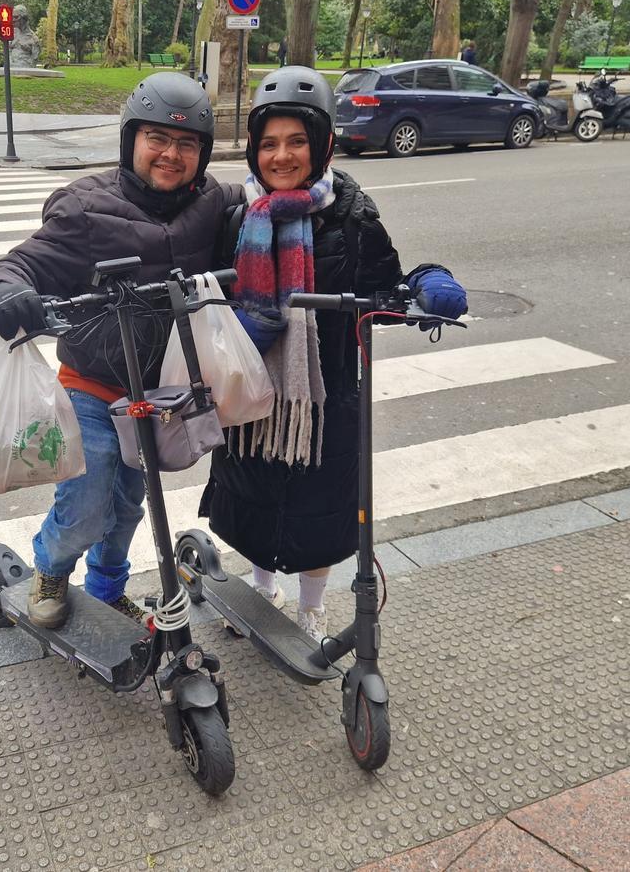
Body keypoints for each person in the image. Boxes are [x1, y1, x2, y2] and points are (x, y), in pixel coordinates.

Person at [198, 66, 468, 641]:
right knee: (254, 492)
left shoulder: (351, 214)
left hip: (329, 396)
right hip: (255, 392)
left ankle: (312, 605)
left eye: (297, 141)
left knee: (321, 507)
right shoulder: (237, 215)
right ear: (253, 149)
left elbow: (388, 286)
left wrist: (429, 283)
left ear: (322, 144)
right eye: (269, 143)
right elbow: (209, 299)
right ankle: (262, 587)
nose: (282, 156)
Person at [0, 72, 245, 628]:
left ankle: (106, 588)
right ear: (131, 141)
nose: (171, 154)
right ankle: (51, 567)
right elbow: (23, 263)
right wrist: (4, 291)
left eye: (187, 143)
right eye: (157, 139)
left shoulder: (215, 203)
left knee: (126, 507)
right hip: (93, 385)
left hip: (158, 392)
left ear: (203, 153)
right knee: (84, 505)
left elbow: (272, 201)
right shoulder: (85, 208)